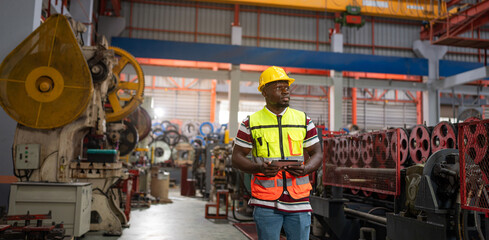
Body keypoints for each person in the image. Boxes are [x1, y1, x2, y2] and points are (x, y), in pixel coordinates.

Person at [232, 66, 322, 240]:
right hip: (266, 202)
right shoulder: (251, 122)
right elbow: (236, 158)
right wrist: (258, 168)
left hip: (299, 202)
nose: (285, 91)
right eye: (279, 87)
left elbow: (317, 153)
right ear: (265, 92)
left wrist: (306, 169)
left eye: (287, 87)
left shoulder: (303, 120)